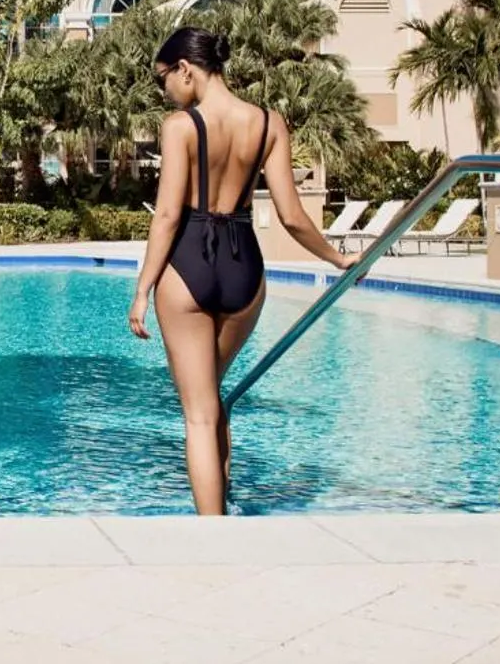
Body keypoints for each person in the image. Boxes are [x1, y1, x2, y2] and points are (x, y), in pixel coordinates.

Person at [127, 26, 358, 514]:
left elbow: (167, 216)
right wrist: (338, 258)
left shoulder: (181, 127)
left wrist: (143, 288)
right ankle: (226, 507)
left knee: (198, 415)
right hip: (244, 269)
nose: (164, 90)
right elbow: (293, 216)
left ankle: (214, 538)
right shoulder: (270, 124)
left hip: (187, 265)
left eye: (163, 79)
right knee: (213, 398)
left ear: (186, 70)